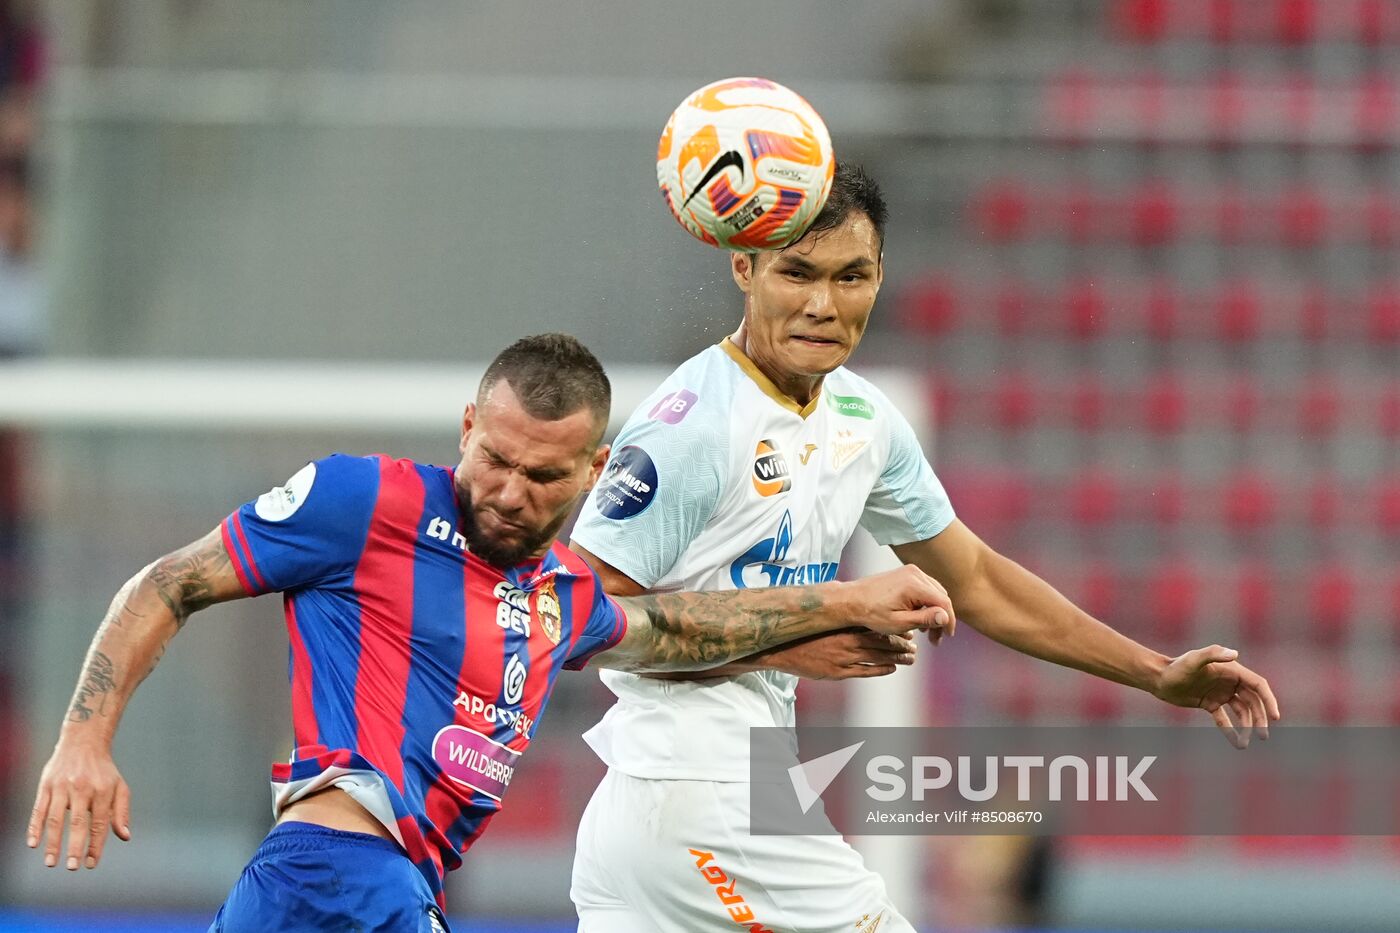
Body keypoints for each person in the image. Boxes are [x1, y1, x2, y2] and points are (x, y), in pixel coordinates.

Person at [25, 333, 954, 932]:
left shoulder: (559, 592)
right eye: (494, 458)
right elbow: (170, 581)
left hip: (387, 886)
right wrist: (83, 736)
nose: (510, 491)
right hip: (337, 873)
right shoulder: (365, 500)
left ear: (594, 470)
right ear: (466, 426)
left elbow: (674, 626)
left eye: (543, 476)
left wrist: (835, 607)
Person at [567, 164, 1282, 932]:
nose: (822, 303)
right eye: (796, 272)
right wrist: (804, 624)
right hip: (698, 787)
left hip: (674, 809)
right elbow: (571, 619)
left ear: (881, 278)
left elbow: (976, 578)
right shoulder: (693, 427)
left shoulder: (862, 420)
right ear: (743, 266)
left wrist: (1153, 672)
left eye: (851, 276)